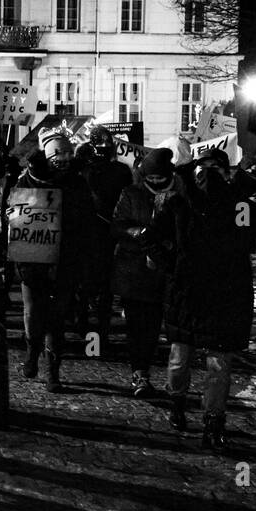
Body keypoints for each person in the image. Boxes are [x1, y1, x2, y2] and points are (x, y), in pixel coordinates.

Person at [150, 148, 256, 449]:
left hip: (226, 293)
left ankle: (213, 422)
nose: (209, 173)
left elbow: (249, 237)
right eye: (204, 167)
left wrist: (240, 193)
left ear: (226, 172)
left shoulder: (239, 205)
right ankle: (177, 404)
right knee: (179, 357)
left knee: (219, 365)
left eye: (216, 167)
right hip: (187, 291)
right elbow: (154, 239)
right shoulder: (178, 201)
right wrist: (172, 266)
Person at [13, 134, 98, 393]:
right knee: (32, 312)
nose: (63, 158)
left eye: (67, 153)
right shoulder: (27, 180)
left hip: (65, 259)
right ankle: (31, 351)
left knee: (57, 316)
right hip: (33, 258)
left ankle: (52, 370)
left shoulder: (77, 183)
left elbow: (88, 221)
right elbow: (17, 213)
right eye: (57, 153)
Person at [110, 148, 178, 399]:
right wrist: (138, 233)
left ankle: (176, 381)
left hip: (168, 272)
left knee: (166, 327)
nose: (157, 182)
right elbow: (118, 226)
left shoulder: (178, 195)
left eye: (161, 178)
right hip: (135, 271)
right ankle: (140, 373)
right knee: (140, 327)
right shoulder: (131, 194)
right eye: (152, 178)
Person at [76, 126, 133, 354]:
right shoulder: (119, 170)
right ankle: (98, 338)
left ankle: (91, 337)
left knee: (88, 289)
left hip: (92, 236)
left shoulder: (84, 171)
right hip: (104, 236)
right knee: (103, 293)